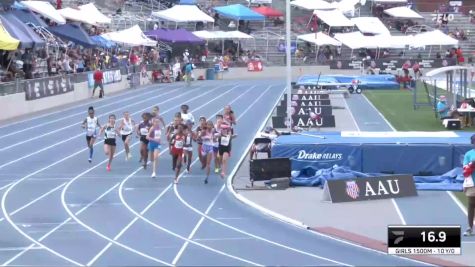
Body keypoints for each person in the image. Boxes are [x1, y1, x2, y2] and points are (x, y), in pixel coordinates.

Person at [462, 134, 475, 236]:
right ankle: (470, 227)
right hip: (472, 183)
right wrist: (472, 164)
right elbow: (465, 170)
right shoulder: (468, 154)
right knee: (471, 204)